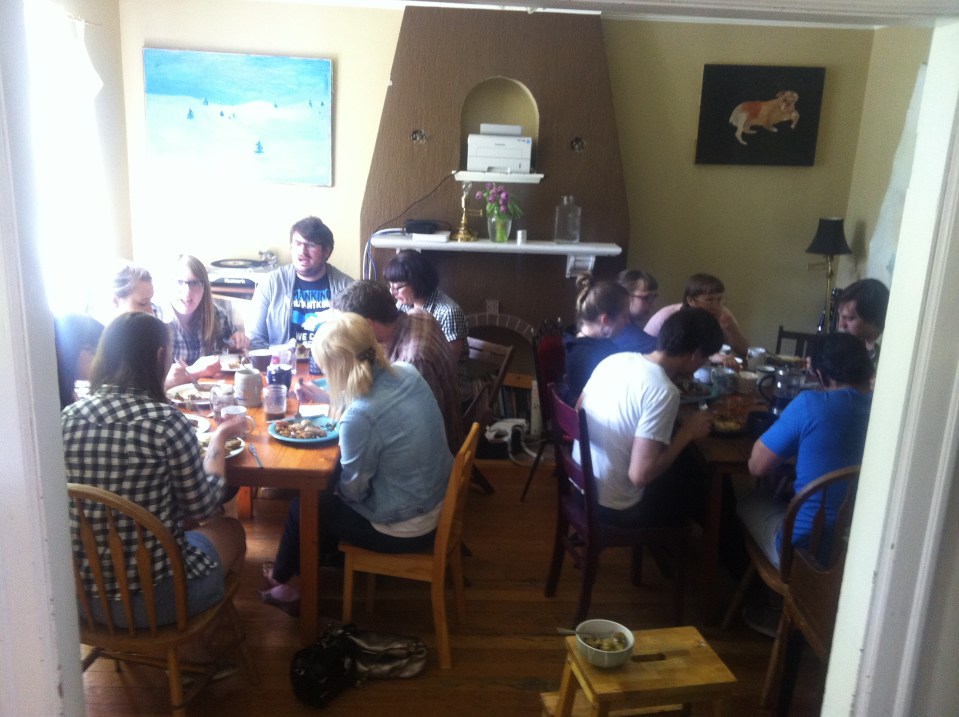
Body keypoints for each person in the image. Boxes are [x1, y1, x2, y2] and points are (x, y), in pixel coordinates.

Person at [62, 312, 248, 629]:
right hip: (154, 602)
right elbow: (203, 509)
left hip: (82, 602)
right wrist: (219, 437)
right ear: (160, 356)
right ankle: (199, 643)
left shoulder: (66, 418)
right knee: (232, 530)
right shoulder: (166, 423)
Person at [261, 313, 454, 614]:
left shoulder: (360, 416)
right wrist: (325, 395)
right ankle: (301, 566)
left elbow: (354, 491)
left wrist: (331, 486)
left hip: (405, 527)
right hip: (436, 504)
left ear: (339, 368)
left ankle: (286, 582)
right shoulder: (407, 372)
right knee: (327, 488)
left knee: (305, 506)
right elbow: (370, 399)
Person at [577, 308, 722, 527]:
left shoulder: (615, 360)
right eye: (705, 357)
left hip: (580, 487)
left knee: (684, 471)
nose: (703, 363)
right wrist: (687, 433)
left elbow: (577, 409)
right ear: (696, 354)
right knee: (698, 483)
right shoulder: (664, 390)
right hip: (613, 508)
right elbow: (640, 476)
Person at [740, 332, 873, 569]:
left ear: (821, 376)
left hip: (804, 553)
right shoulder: (886, 409)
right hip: (857, 554)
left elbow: (756, 466)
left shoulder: (811, 404)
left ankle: (742, 577)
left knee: (749, 500)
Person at [313, 280, 463, 453]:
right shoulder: (417, 315)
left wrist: (335, 400)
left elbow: (402, 424)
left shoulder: (412, 361)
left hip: (433, 451)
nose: (342, 334)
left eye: (346, 328)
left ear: (367, 324)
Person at [248, 216, 354, 349]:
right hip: (281, 360)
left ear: (327, 251)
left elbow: (356, 341)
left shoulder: (348, 288)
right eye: (298, 243)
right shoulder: (270, 284)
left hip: (330, 361)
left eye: (311, 245)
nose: (302, 251)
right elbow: (254, 340)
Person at [384, 249, 472, 404]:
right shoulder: (403, 305)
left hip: (448, 391)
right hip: (415, 379)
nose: (392, 292)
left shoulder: (448, 312)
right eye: (390, 286)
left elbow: (448, 366)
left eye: (398, 287)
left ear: (418, 281)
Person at [167, 255, 249, 382]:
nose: (187, 292)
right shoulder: (156, 323)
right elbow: (153, 382)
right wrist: (195, 371)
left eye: (195, 283)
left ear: (205, 288)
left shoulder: (217, 315)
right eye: (179, 282)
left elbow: (234, 349)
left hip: (215, 390)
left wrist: (237, 342)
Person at [644, 273, 749, 360]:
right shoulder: (670, 316)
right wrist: (710, 356)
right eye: (709, 300)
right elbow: (648, 350)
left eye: (719, 299)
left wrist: (731, 329)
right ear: (691, 300)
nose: (716, 305)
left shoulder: (723, 314)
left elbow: (743, 351)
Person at [563, 273, 630, 403]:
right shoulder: (599, 357)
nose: (628, 322)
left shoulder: (570, 341)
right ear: (605, 320)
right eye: (624, 316)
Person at [836, 278, 889, 366]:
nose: (841, 324)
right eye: (840, 316)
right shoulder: (852, 347)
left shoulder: (891, 350)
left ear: (873, 316)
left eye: (849, 318)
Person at [54, 314, 104, 409]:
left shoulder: (67, 390)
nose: (103, 364)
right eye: (101, 354)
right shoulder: (53, 393)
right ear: (84, 349)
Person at [614, 268, 659, 353]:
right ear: (625, 297)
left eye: (654, 298)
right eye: (647, 297)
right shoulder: (650, 346)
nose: (653, 304)